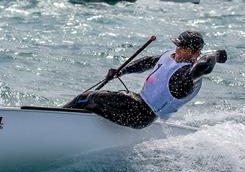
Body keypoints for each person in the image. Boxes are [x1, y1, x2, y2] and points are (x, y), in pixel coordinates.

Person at [64, 31, 227, 129]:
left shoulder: (189, 76)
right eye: (178, 45)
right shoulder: (171, 56)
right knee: (95, 99)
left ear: (196, 53)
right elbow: (146, 62)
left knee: (88, 98)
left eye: (184, 48)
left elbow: (205, 65)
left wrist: (215, 55)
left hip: (141, 115)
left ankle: (57, 119)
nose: (178, 50)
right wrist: (120, 71)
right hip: (135, 102)